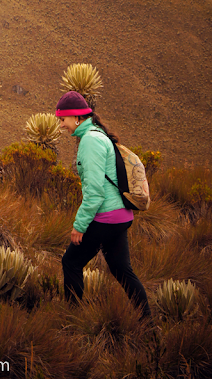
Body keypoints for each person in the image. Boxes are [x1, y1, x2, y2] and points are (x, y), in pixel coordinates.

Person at [55, 90, 151, 319]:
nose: (61, 125)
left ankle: (73, 319)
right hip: (120, 216)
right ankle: (147, 322)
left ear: (77, 117)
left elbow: (95, 192)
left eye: (63, 119)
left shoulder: (89, 141)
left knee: (71, 262)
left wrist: (79, 226)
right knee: (121, 269)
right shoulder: (98, 134)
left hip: (105, 217)